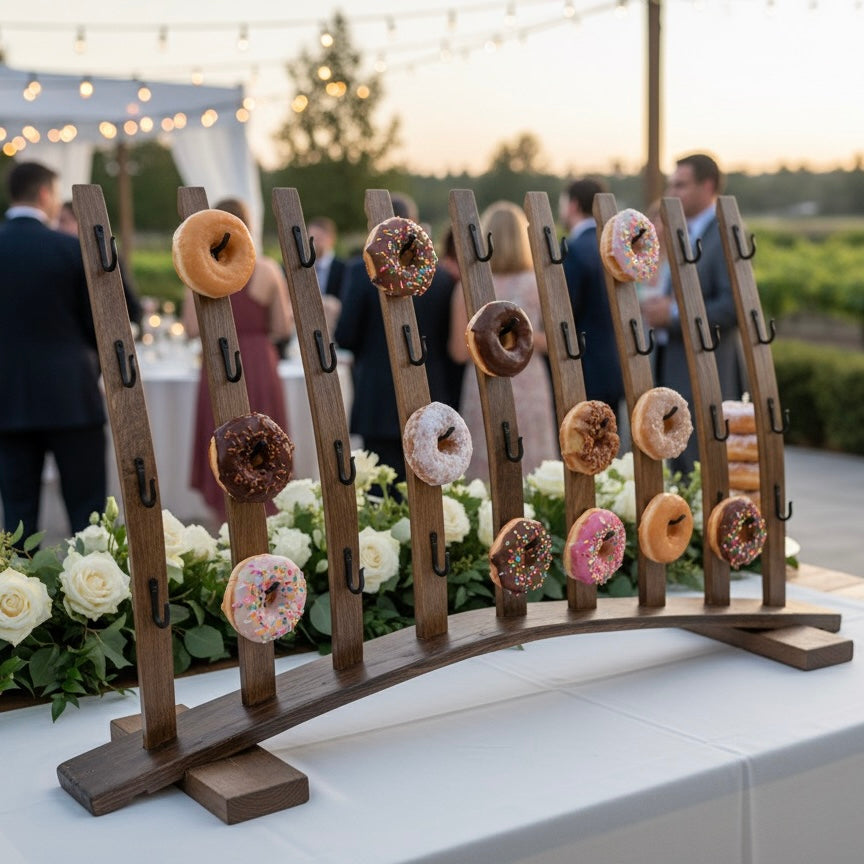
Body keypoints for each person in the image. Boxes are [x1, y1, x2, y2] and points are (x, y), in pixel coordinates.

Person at [0, 162, 106, 540]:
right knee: (88, 514)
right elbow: (101, 322)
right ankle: (97, 593)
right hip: (71, 395)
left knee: (16, 520)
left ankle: (15, 595)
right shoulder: (70, 249)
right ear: (45, 193)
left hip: (8, 398)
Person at [182, 197, 294, 523]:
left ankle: (225, 522)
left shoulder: (198, 272)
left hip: (218, 361)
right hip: (258, 361)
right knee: (262, 441)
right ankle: (264, 518)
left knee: (222, 440)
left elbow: (190, 328)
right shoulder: (267, 270)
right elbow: (281, 327)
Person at [334, 194, 460, 482]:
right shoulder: (440, 277)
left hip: (377, 399)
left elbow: (346, 336)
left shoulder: (360, 271)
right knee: (425, 485)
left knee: (382, 492)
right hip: (430, 394)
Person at [640, 152, 744, 475]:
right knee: (682, 472)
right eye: (671, 184)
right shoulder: (681, 232)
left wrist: (671, 313)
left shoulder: (724, 233)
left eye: (681, 185)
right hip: (673, 371)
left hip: (708, 376)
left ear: (707, 185)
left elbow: (732, 307)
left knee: (707, 472)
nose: (672, 193)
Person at [449, 200, 558, 480]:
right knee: (533, 466)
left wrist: (489, 342)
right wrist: (520, 339)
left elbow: (459, 353)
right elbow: (558, 342)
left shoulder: (470, 285)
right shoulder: (538, 284)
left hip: (483, 380)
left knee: (487, 465)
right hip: (529, 378)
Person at [559, 178, 625, 426]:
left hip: (585, 366)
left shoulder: (575, 250)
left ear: (574, 205)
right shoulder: (614, 248)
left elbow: (566, 312)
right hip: (613, 363)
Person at [57, 200, 143, 329]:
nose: (58, 227)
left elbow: (132, 306)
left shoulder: (107, 258)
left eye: (64, 221)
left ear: (80, 223)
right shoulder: (59, 260)